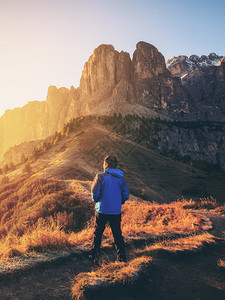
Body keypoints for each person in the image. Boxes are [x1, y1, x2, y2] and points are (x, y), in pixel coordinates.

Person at [91, 155, 129, 263]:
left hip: (102, 210)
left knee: (98, 233)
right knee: (117, 234)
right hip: (115, 211)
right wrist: (118, 202)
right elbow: (125, 195)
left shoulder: (100, 176)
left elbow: (94, 193)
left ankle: (95, 257)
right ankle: (122, 258)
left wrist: (97, 200)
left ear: (106, 164)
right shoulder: (121, 179)